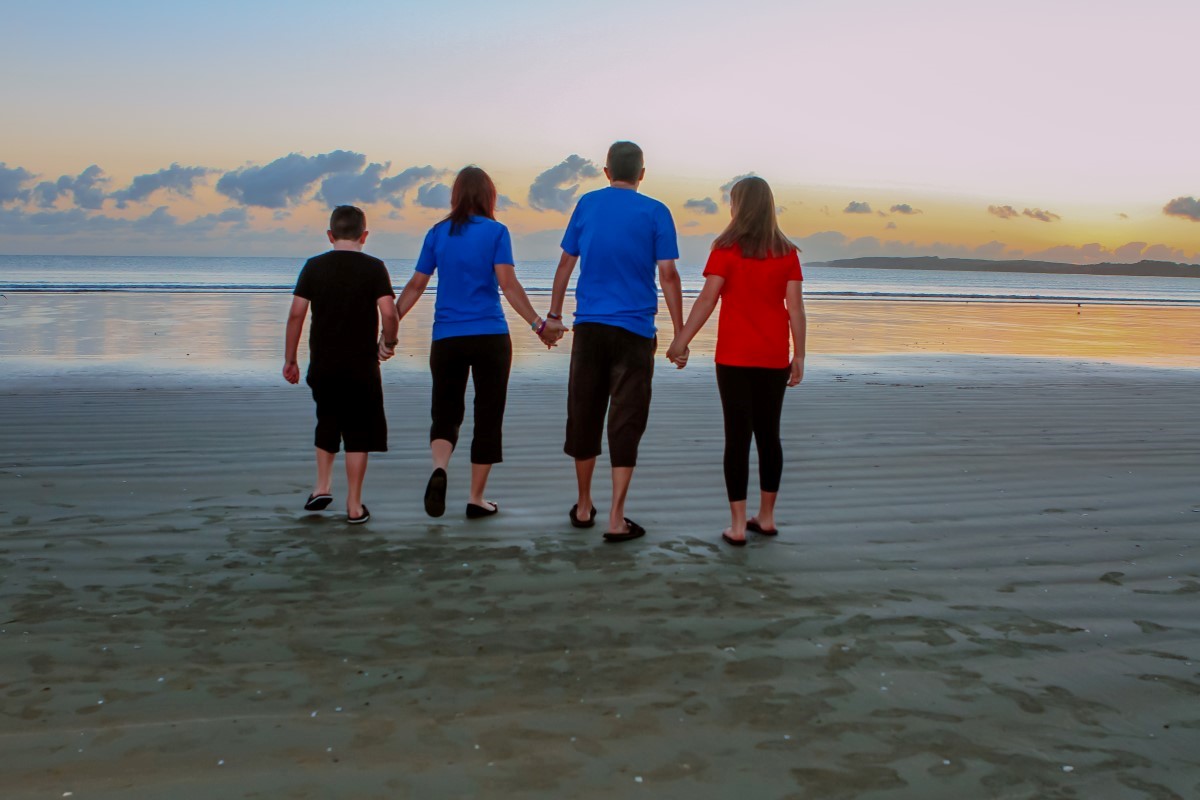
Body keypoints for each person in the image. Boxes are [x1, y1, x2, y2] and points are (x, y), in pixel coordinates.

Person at [392, 166, 560, 519]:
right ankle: (476, 498)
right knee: (488, 416)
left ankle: (440, 467)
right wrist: (538, 325)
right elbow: (509, 286)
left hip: (447, 337)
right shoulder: (497, 232)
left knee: (446, 412)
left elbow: (416, 286)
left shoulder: (437, 233)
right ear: (488, 197)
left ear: (456, 196)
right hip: (490, 337)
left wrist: (388, 326)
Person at [547, 141, 683, 542]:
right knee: (626, 422)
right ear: (642, 173)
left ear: (606, 172)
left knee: (584, 413)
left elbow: (565, 264)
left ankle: (585, 505)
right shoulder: (656, 211)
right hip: (635, 332)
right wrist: (679, 333)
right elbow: (669, 275)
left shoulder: (587, 204)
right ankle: (617, 517)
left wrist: (554, 316)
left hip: (589, 328)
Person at [665, 176, 806, 546]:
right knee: (769, 435)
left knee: (737, 438)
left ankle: (739, 525)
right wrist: (800, 355)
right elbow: (796, 310)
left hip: (734, 358)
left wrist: (681, 340)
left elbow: (708, 300)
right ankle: (768, 517)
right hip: (774, 356)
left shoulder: (725, 249)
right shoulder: (787, 253)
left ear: (738, 207)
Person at [283, 205, 399, 524]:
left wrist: (290, 358)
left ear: (330, 235)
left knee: (327, 421)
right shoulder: (375, 268)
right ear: (364, 236)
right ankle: (354, 505)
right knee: (359, 432)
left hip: (324, 365)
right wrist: (388, 343)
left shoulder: (313, 267)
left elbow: (296, 314)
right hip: (361, 366)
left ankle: (321, 486)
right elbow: (389, 312)